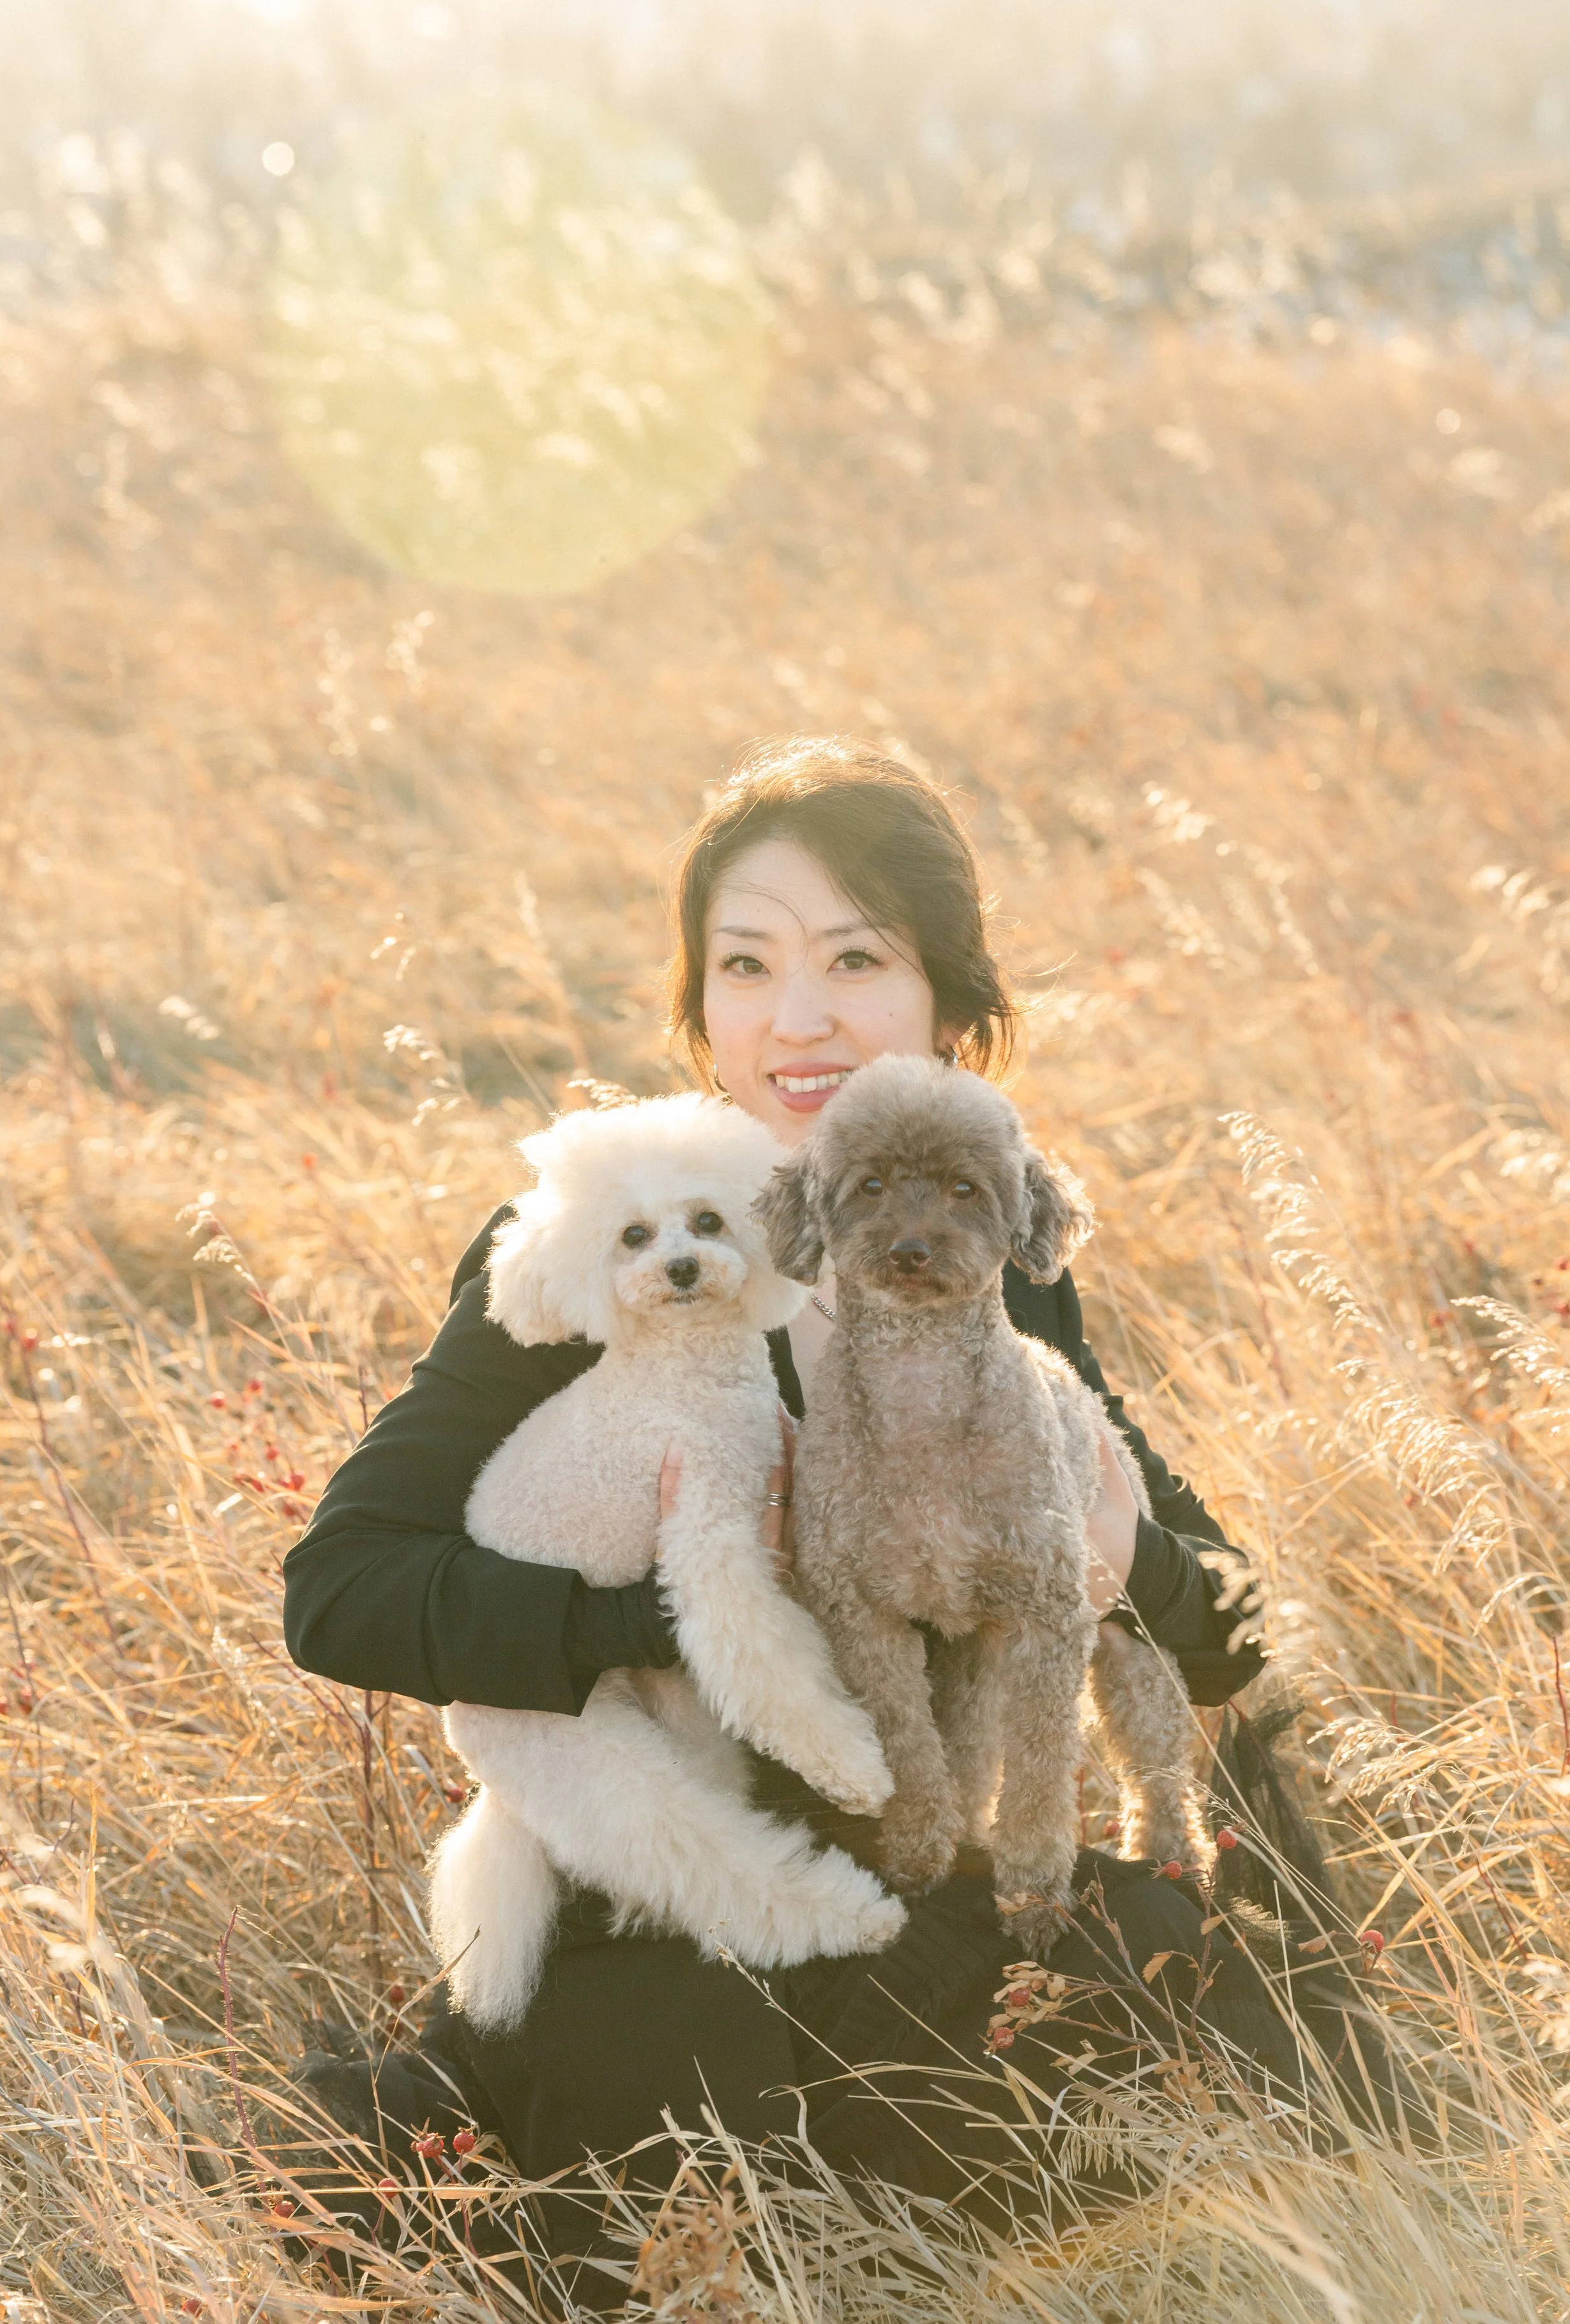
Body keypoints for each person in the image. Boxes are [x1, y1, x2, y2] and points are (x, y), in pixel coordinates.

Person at [280, 741, 1294, 2265]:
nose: (796, 1018)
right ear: (699, 1005)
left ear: (948, 1005)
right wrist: (668, 1613)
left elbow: (1221, 1629)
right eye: (745, 964)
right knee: (700, 2170)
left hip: (932, 1863)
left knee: (1196, 2026)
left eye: (855, 959)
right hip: (669, 1883)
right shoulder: (616, 1222)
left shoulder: (980, 1219)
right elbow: (341, 1587)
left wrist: (1119, 1555)